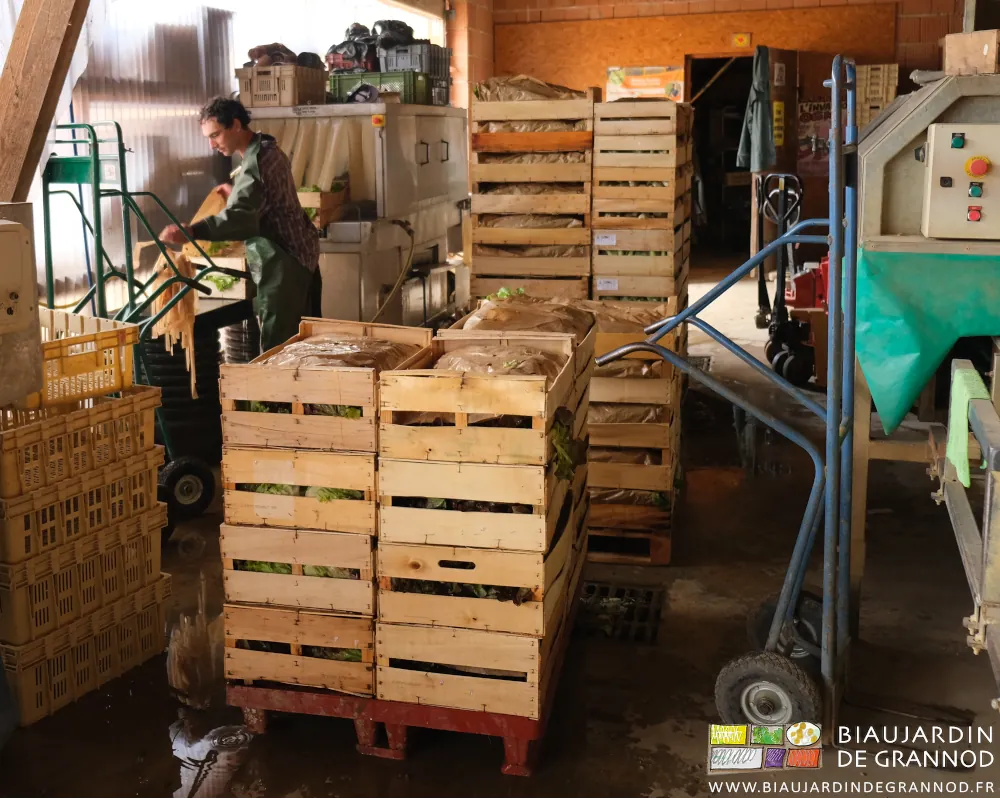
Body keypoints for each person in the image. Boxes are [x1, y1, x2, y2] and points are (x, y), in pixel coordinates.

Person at [159, 97, 321, 351]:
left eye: (216, 135)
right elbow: (264, 198)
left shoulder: (258, 161)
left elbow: (240, 217)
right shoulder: (267, 148)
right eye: (208, 138)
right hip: (301, 256)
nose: (212, 145)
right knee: (305, 344)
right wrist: (235, 191)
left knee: (280, 349)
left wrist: (192, 231)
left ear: (236, 125)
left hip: (285, 263)